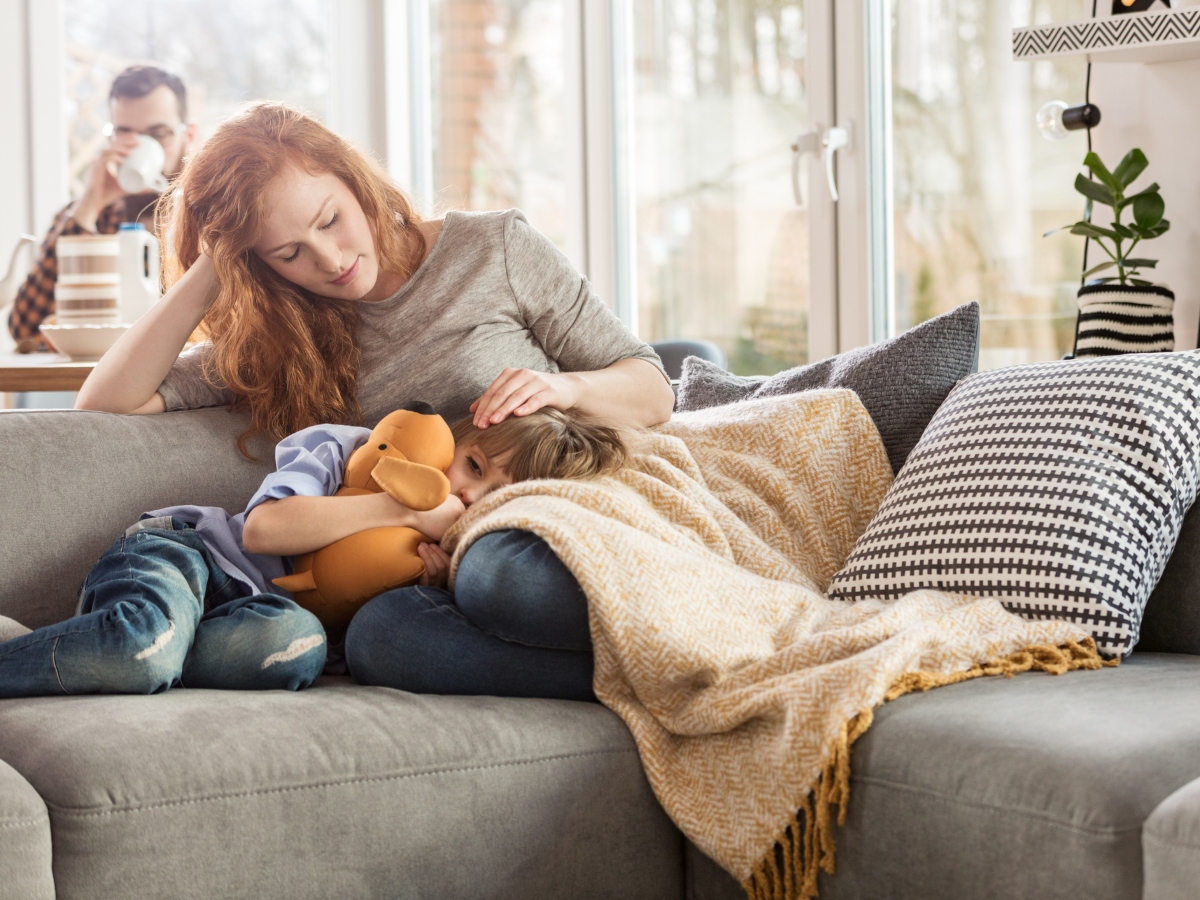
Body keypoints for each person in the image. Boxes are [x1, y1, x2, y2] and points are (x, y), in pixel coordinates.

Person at [73, 101, 674, 700]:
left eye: (331, 220)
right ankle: (632, 683)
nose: (329, 260)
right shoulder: (283, 338)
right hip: (420, 574)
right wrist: (213, 264)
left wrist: (567, 387)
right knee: (380, 639)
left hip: (535, 527)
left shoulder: (495, 251)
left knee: (499, 580)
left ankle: (650, 667)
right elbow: (106, 404)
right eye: (288, 252)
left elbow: (653, 389)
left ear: (354, 181)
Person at [0, 405, 628, 698]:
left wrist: (429, 584)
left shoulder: (456, 552)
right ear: (466, 431)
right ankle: (113, 640)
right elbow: (264, 533)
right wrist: (401, 505)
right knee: (143, 649)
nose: (465, 494)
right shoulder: (353, 450)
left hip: (259, 621)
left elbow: (362, 611)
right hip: (188, 558)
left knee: (292, 651)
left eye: (492, 495)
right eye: (473, 465)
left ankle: (132, 647)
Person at [8, 64, 197, 350]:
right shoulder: (91, 218)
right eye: (125, 134)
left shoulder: (212, 217)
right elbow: (25, 328)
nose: (139, 147)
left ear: (188, 136)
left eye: (158, 135)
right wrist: (88, 206)